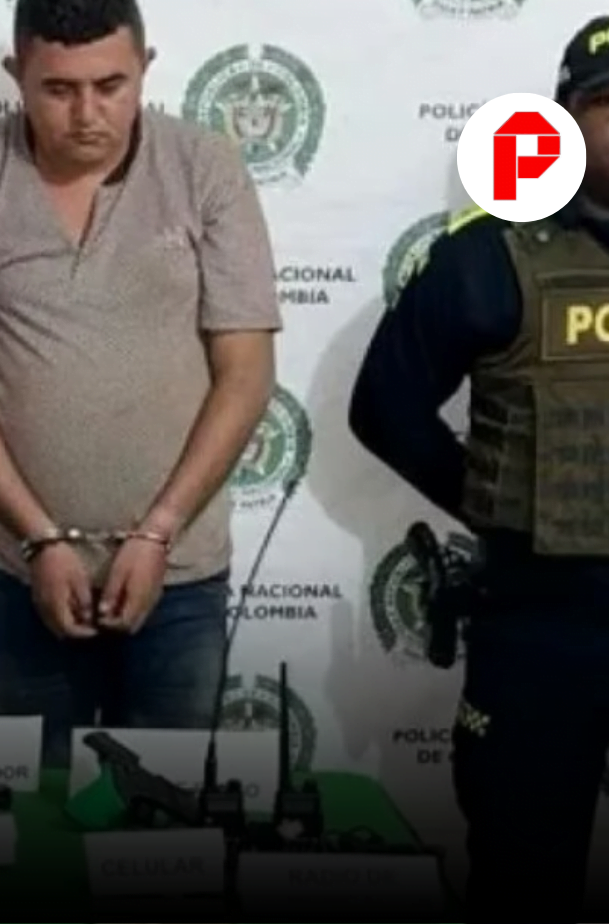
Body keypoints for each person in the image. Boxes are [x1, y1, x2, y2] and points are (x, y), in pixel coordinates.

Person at [0, 0, 280, 766]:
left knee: (166, 818)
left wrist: (159, 532)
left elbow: (246, 376)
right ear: (16, 75)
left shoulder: (205, 168)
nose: (86, 114)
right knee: (22, 817)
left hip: (179, 572)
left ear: (145, 68)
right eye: (58, 89)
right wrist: (39, 539)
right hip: (13, 572)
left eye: (110, 86)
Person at [348, 17, 609, 921]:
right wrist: (493, 496)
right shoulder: (488, 255)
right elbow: (385, 408)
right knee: (523, 878)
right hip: (543, 629)